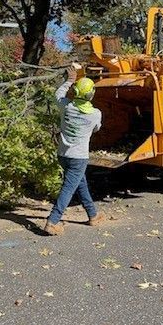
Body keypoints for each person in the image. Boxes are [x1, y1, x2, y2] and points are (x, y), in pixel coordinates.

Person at [45, 66, 104, 235]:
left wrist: (69, 80)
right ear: (91, 94)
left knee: (80, 183)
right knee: (68, 188)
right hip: (79, 157)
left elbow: (58, 95)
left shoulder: (67, 107)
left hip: (63, 154)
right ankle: (52, 221)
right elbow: (96, 129)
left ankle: (93, 215)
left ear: (76, 91)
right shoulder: (95, 114)